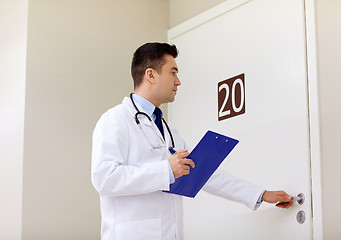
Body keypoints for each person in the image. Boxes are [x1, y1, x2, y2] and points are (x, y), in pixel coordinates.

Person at [91, 42, 293, 240]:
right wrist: (166, 170)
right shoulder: (115, 120)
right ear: (151, 75)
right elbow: (105, 178)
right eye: (173, 72)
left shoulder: (169, 130)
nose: (178, 81)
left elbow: (204, 173)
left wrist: (260, 194)